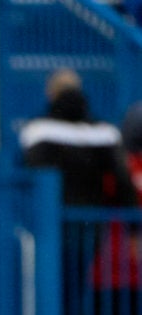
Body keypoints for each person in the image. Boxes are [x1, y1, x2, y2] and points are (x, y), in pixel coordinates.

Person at [19, 68, 138, 315]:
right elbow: (123, 183)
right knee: (76, 286)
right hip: (89, 227)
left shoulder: (36, 130)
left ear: (51, 93)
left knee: (50, 288)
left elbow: (26, 177)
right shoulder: (104, 132)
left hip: (49, 226)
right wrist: (134, 230)